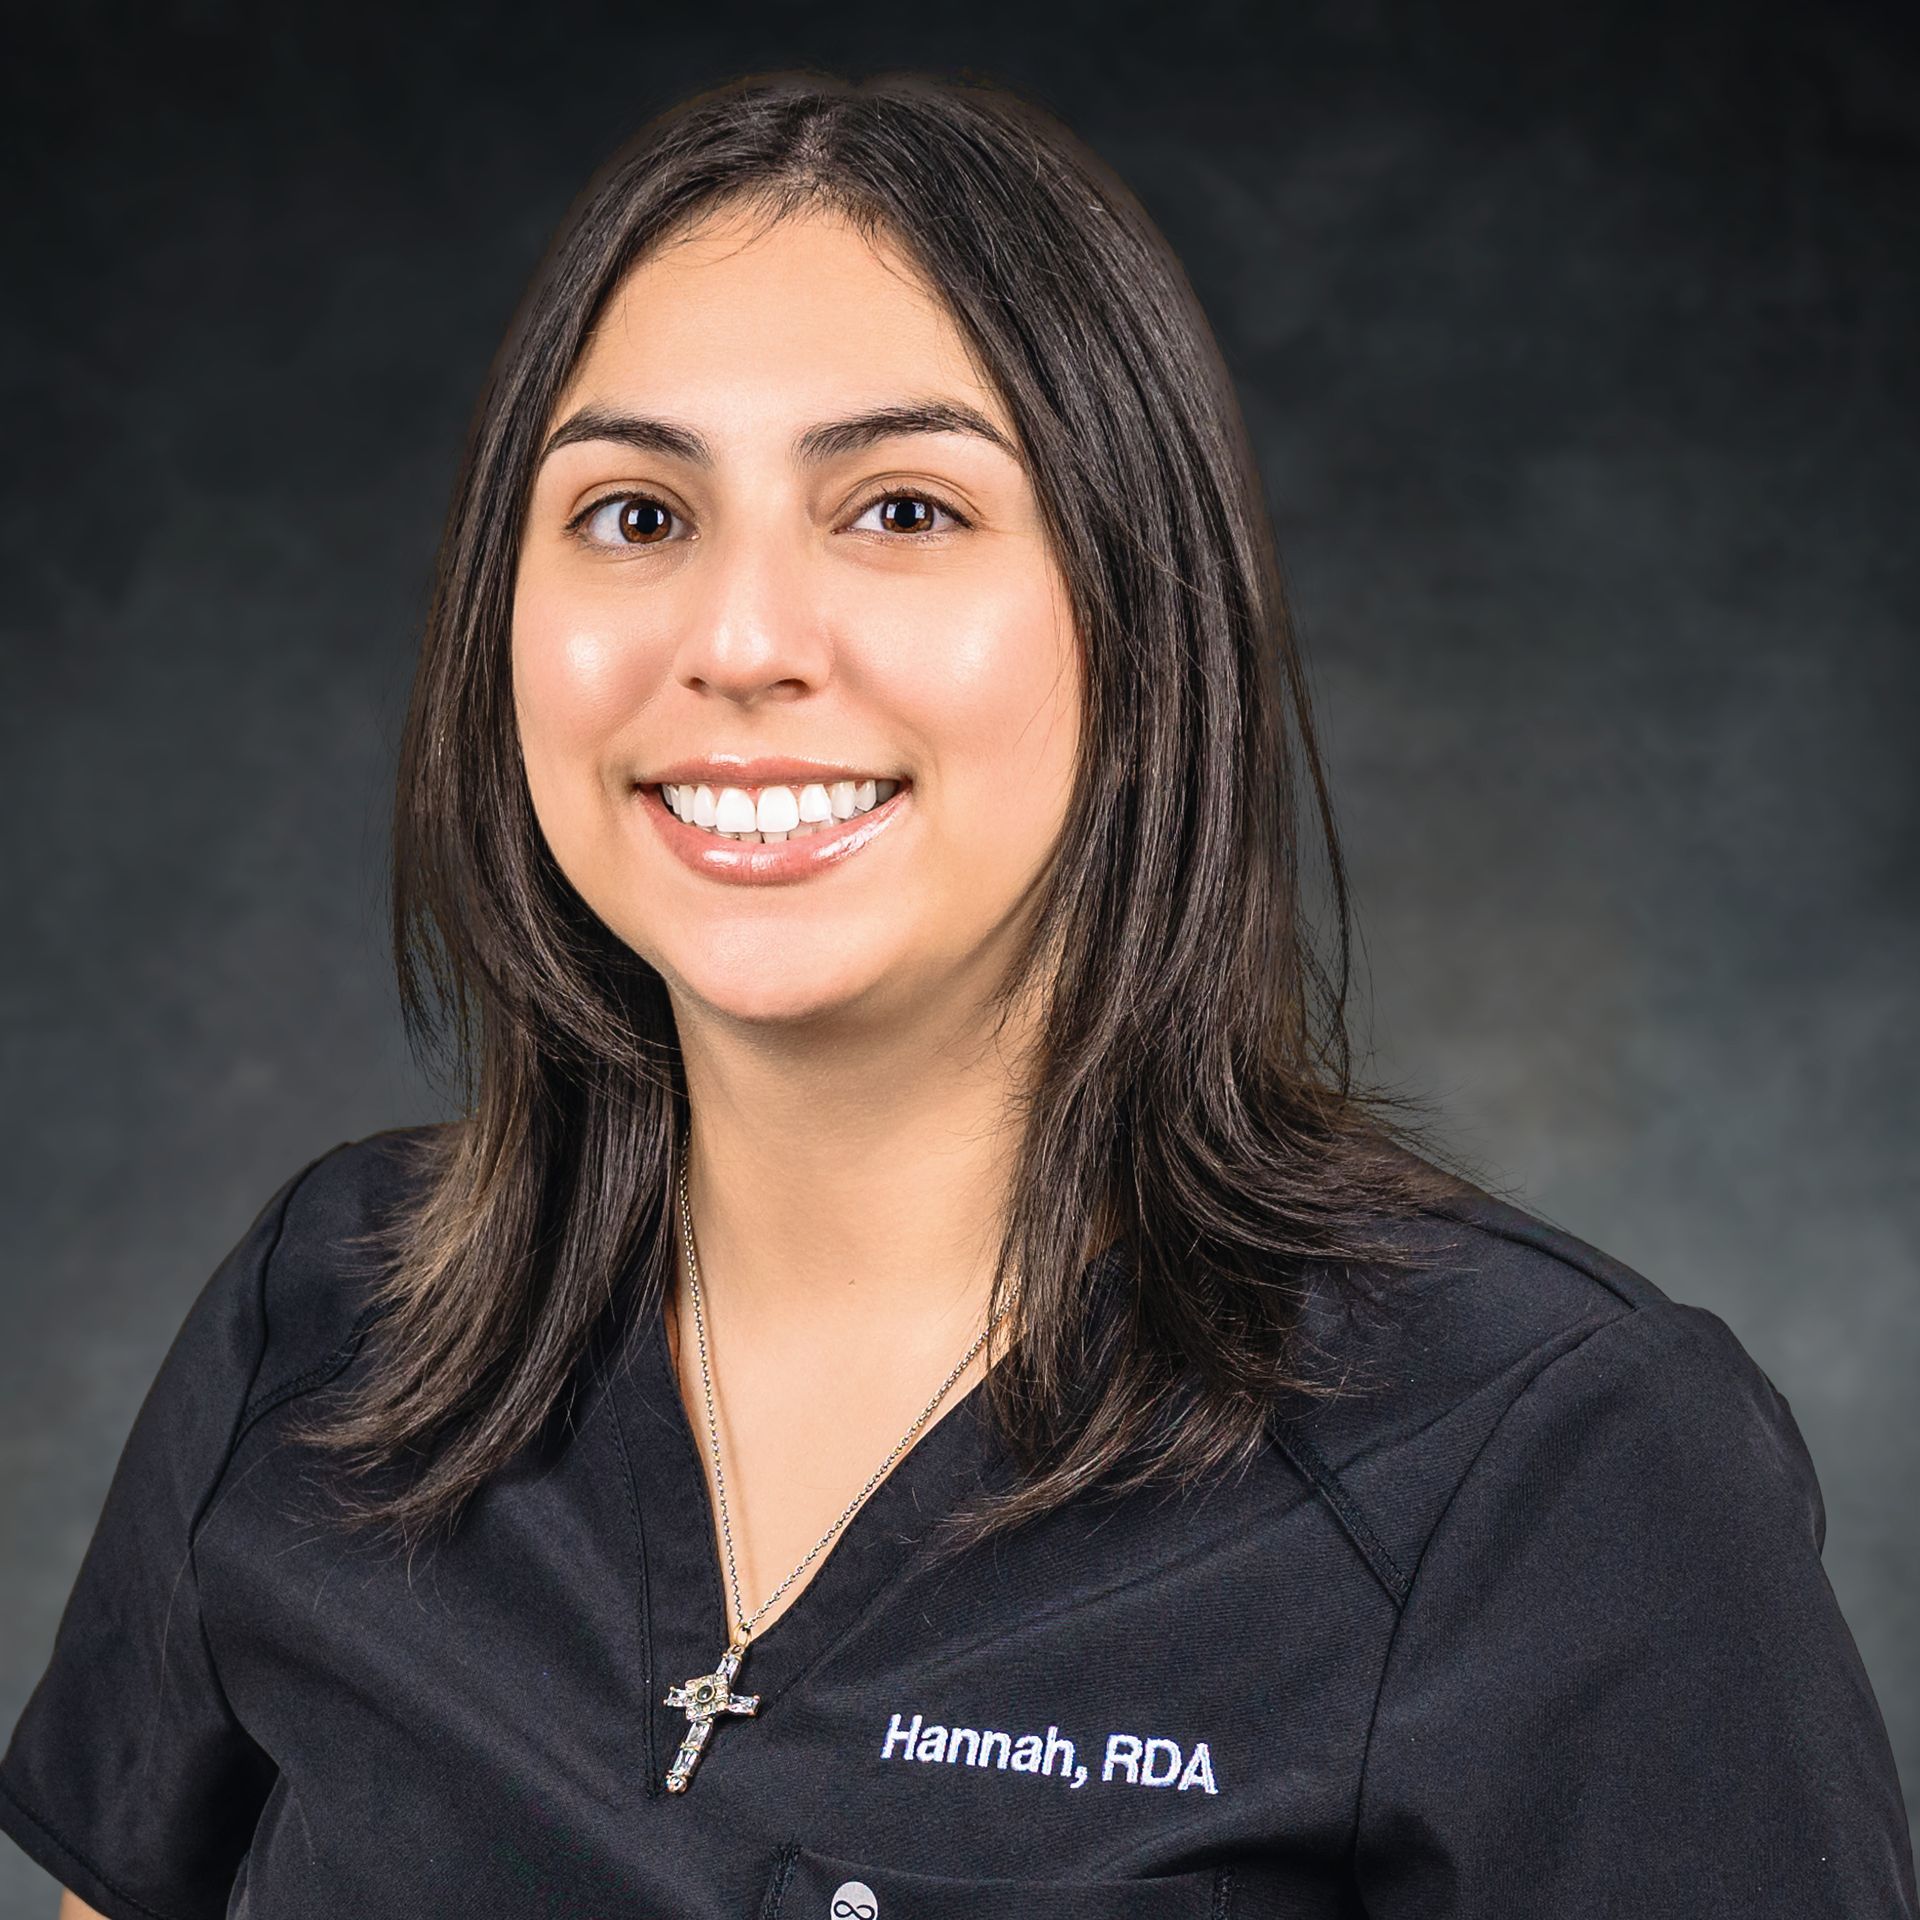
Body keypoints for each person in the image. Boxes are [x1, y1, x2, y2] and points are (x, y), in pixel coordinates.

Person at [2, 68, 1913, 1920]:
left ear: (1142, 615)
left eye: (902, 509)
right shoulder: (325, 1318)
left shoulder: (1562, 1471)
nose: (740, 643)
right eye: (636, 517)